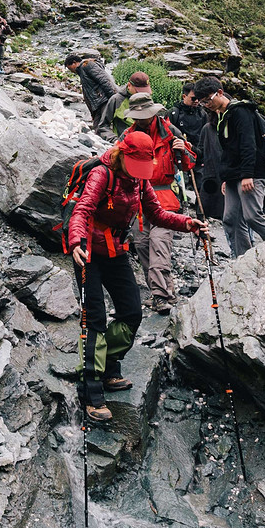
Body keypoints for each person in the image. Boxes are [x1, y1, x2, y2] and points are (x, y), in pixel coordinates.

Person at [67, 130, 205, 422]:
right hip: (88, 250)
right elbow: (82, 209)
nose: (141, 172)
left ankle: (108, 366)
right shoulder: (102, 174)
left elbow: (157, 214)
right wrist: (76, 240)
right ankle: (91, 391)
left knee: (131, 312)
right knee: (95, 319)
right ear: (123, 155)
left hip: (115, 249)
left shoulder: (140, 181)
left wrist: (188, 223)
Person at [122, 93, 197, 313]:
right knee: (143, 247)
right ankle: (167, 291)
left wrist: (182, 151)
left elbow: (189, 165)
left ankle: (160, 296)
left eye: (145, 115)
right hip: (138, 202)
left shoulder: (171, 132)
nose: (142, 120)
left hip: (165, 199)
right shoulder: (128, 136)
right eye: (138, 116)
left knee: (159, 244)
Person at [193, 77, 265, 257]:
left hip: (250, 173)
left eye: (208, 100)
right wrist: (226, 178)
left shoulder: (240, 112)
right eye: (202, 103)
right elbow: (228, 150)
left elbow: (249, 145)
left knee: (252, 216)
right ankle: (243, 257)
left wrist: (248, 174)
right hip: (232, 176)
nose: (207, 105)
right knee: (230, 218)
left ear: (220, 93)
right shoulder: (221, 116)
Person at [64, 50, 121, 132]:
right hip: (98, 104)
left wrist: (113, 98)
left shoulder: (87, 65)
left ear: (74, 63)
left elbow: (104, 80)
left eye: (70, 69)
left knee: (103, 126)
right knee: (97, 127)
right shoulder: (82, 71)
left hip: (104, 100)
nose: (72, 72)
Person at [169, 83, 206, 155]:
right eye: (193, 98)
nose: (196, 101)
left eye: (199, 98)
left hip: (199, 154)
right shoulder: (174, 113)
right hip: (180, 153)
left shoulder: (202, 113)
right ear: (184, 96)